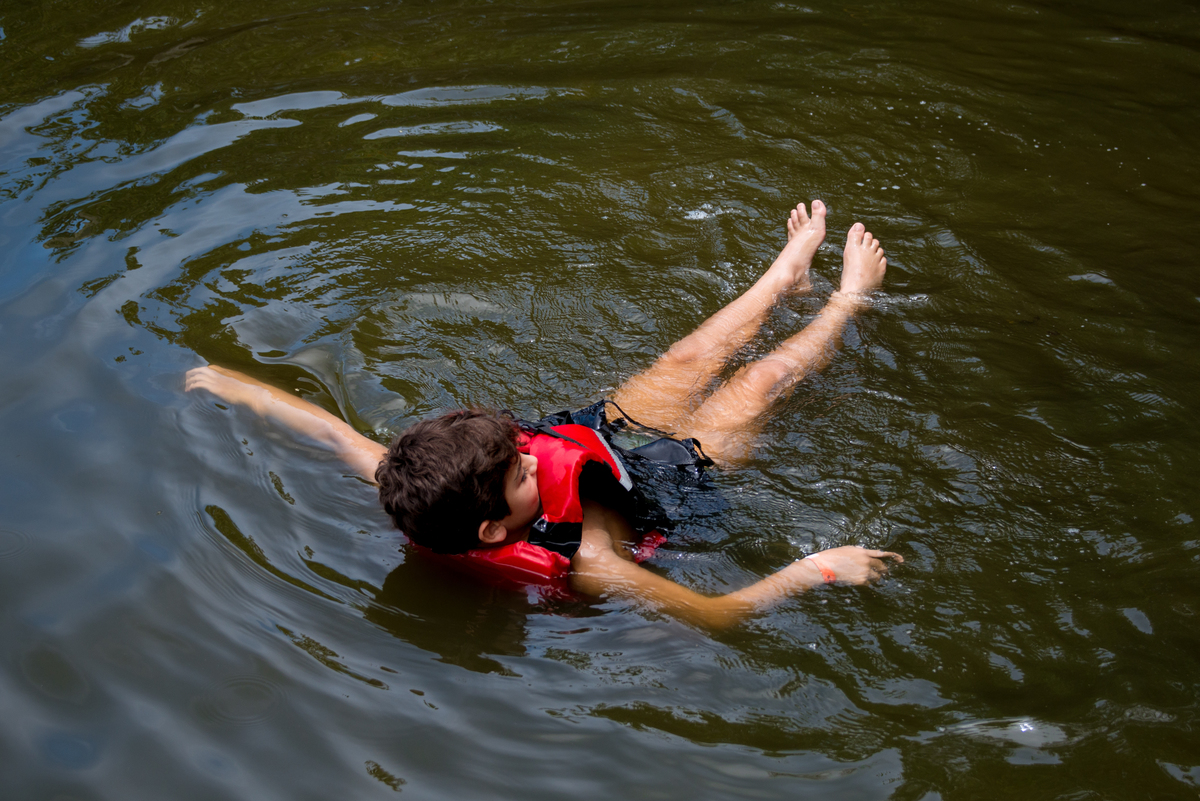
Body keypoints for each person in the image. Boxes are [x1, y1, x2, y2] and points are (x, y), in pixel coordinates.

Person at [186, 200, 903, 628]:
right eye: (517, 471)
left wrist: (233, 384)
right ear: (493, 529)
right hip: (670, 480)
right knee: (762, 380)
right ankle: (847, 300)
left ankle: (784, 276)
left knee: (688, 359)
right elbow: (720, 614)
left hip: (600, 438)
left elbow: (329, 430)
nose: (530, 454)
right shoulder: (591, 565)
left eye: (515, 447)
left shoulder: (422, 483)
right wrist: (817, 569)